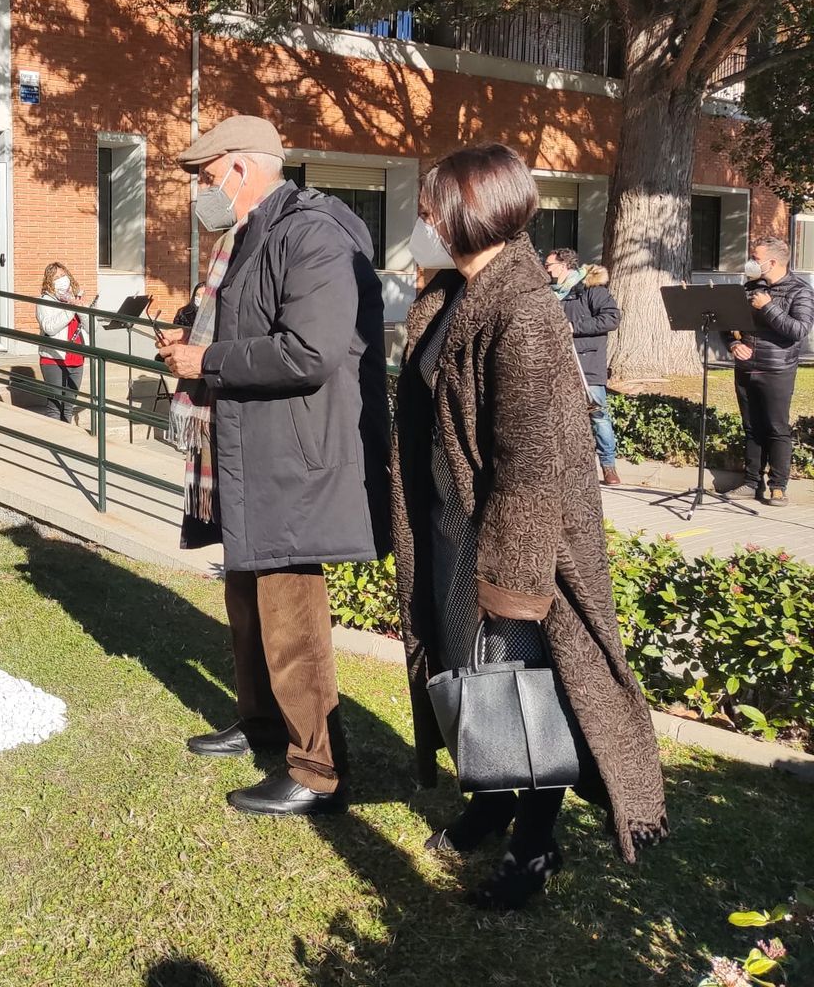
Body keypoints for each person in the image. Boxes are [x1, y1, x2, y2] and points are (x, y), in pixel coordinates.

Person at [393, 144, 667, 910]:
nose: (420, 221)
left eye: (429, 207)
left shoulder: (522, 310)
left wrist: (512, 584)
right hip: (455, 530)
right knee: (470, 675)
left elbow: (530, 462)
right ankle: (490, 797)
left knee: (529, 691)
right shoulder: (451, 292)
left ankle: (536, 842)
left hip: (515, 546)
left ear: (464, 212)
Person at [156, 115, 391, 817]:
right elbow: (246, 327)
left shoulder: (312, 232)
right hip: (250, 449)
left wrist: (210, 359)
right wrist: (187, 336)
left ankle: (319, 770)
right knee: (247, 601)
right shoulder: (250, 235)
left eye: (206, 178)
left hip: (295, 457)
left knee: (290, 615)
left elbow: (310, 352)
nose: (202, 193)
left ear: (243, 170)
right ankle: (262, 723)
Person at [730, 235, 814, 507]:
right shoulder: (751, 286)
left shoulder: (800, 291)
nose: (751, 263)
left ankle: (778, 486)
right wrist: (733, 343)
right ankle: (751, 482)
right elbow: (728, 323)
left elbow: (798, 331)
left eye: (755, 259)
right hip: (746, 366)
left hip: (777, 368)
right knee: (751, 427)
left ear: (772, 262)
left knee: (776, 428)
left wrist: (767, 307)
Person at [544, 248, 622, 485]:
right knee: (558, 417)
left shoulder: (591, 289)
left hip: (587, 363)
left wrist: (574, 326)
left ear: (564, 265)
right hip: (557, 364)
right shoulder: (549, 294)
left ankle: (609, 467)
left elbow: (612, 318)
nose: (545, 269)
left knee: (598, 415)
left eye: (549, 265)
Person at [36, 262, 85, 422]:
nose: (61, 279)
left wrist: (82, 309)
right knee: (55, 406)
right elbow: (49, 328)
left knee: (69, 405)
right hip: (54, 358)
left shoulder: (74, 298)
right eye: (56, 277)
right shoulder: (44, 301)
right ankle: (54, 442)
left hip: (76, 356)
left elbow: (94, 328)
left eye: (63, 275)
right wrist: (71, 309)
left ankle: (66, 442)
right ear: (49, 281)